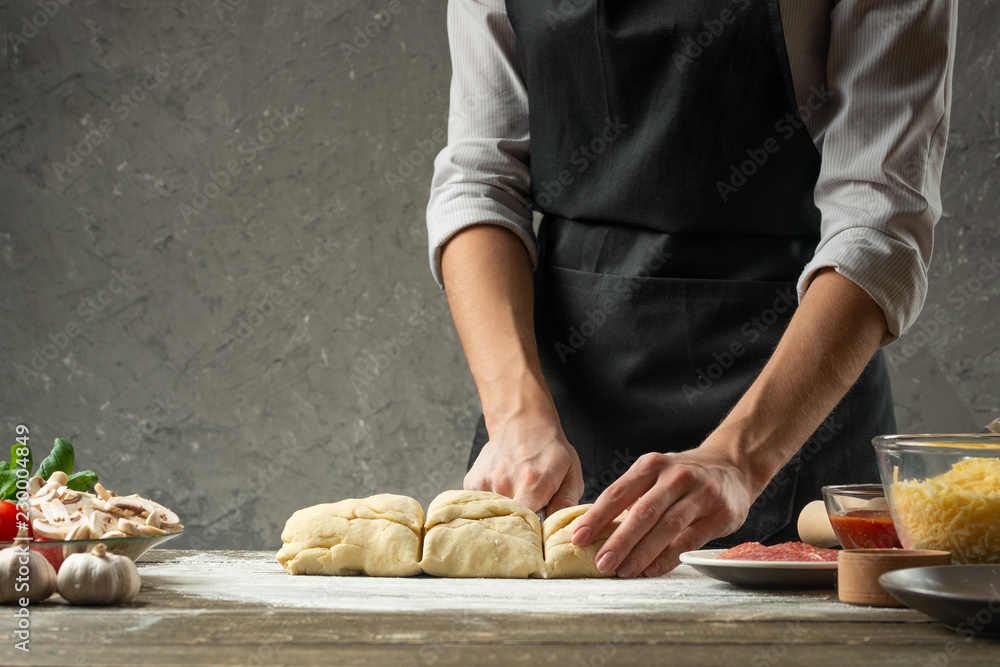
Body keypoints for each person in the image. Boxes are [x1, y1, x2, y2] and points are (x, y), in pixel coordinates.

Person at [425, 0, 956, 578]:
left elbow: (879, 222)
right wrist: (514, 414)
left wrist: (738, 459)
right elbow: (481, 181)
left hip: (795, 417)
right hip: (557, 407)